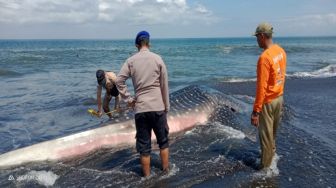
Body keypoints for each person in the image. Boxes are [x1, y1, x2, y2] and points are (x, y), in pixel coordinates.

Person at [116, 31, 170, 177]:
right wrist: (166, 107)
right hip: (158, 107)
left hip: (141, 109)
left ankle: (146, 179)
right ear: (149, 43)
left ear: (136, 45)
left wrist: (129, 99)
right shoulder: (158, 59)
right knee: (163, 142)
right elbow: (164, 85)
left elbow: (118, 81)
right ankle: (166, 174)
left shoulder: (131, 61)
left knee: (144, 147)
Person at [250, 23, 287, 170]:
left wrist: (256, 111)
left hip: (268, 102)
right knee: (272, 135)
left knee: (265, 138)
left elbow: (261, 88)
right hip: (279, 98)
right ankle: (271, 158)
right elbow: (282, 75)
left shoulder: (264, 58)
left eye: (257, 37)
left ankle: (265, 171)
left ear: (262, 36)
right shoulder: (280, 51)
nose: (257, 41)